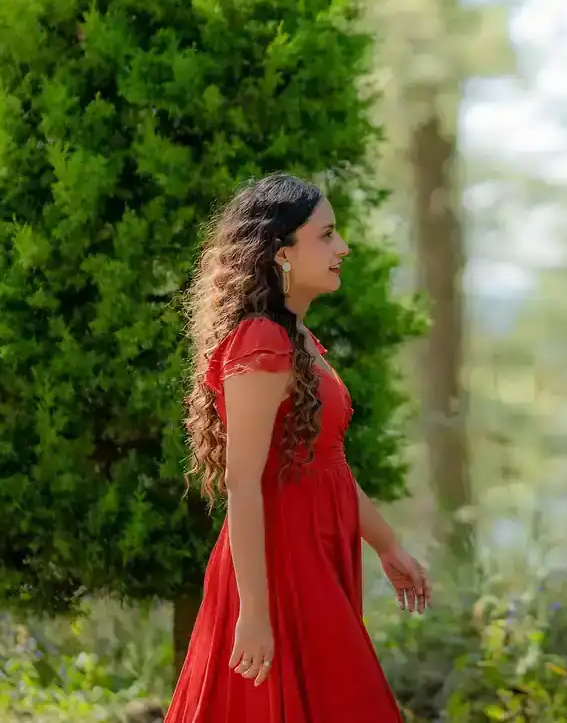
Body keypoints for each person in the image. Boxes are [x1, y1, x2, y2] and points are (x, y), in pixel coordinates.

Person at [167, 172, 428, 722]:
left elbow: (324, 465)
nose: (343, 247)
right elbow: (242, 482)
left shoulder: (298, 337)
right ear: (281, 253)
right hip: (278, 567)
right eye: (327, 235)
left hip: (314, 556)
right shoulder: (260, 340)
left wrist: (386, 545)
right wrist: (256, 612)